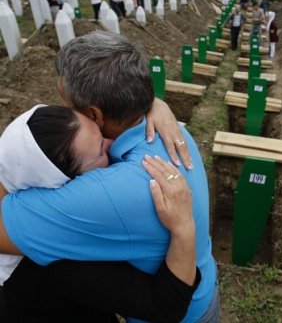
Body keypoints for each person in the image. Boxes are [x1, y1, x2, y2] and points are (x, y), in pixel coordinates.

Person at [0, 31, 219, 322]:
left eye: (68, 104)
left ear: (95, 115)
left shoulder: (106, 192)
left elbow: (3, 231)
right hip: (205, 292)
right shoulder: (174, 132)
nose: (67, 113)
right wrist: (156, 103)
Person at [0, 105, 199, 322]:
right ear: (69, 183)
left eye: (100, 132)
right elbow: (164, 307)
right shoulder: (56, 253)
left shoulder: (21, 172)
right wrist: (183, 228)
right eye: (100, 152)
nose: (113, 142)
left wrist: (151, 106)